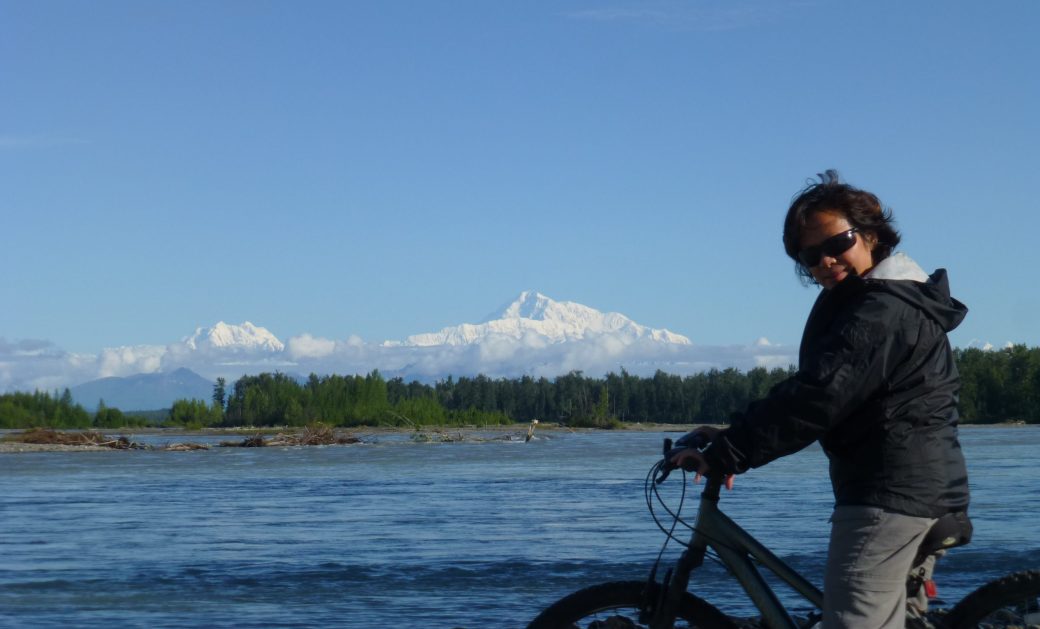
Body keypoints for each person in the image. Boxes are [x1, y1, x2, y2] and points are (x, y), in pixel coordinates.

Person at [671, 170, 970, 628]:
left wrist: (732, 452)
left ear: (871, 236)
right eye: (811, 256)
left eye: (838, 244)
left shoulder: (880, 309)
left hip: (891, 497)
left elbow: (818, 396)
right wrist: (733, 436)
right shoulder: (878, 300)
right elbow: (819, 386)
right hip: (913, 488)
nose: (826, 261)